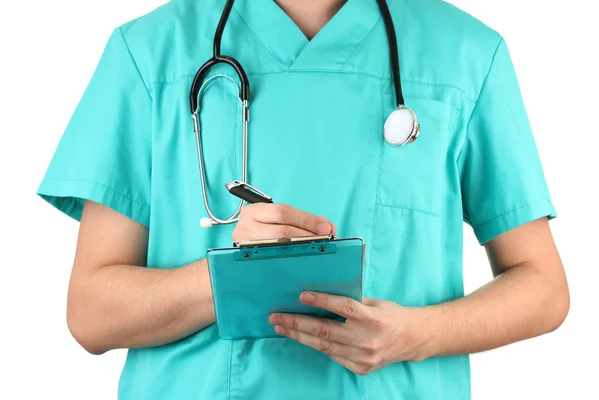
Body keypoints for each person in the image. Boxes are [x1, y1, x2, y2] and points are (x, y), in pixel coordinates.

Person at [38, 0, 569, 399]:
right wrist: (230, 277)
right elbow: (91, 314)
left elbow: (543, 287)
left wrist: (418, 335)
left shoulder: (464, 55)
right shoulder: (152, 52)